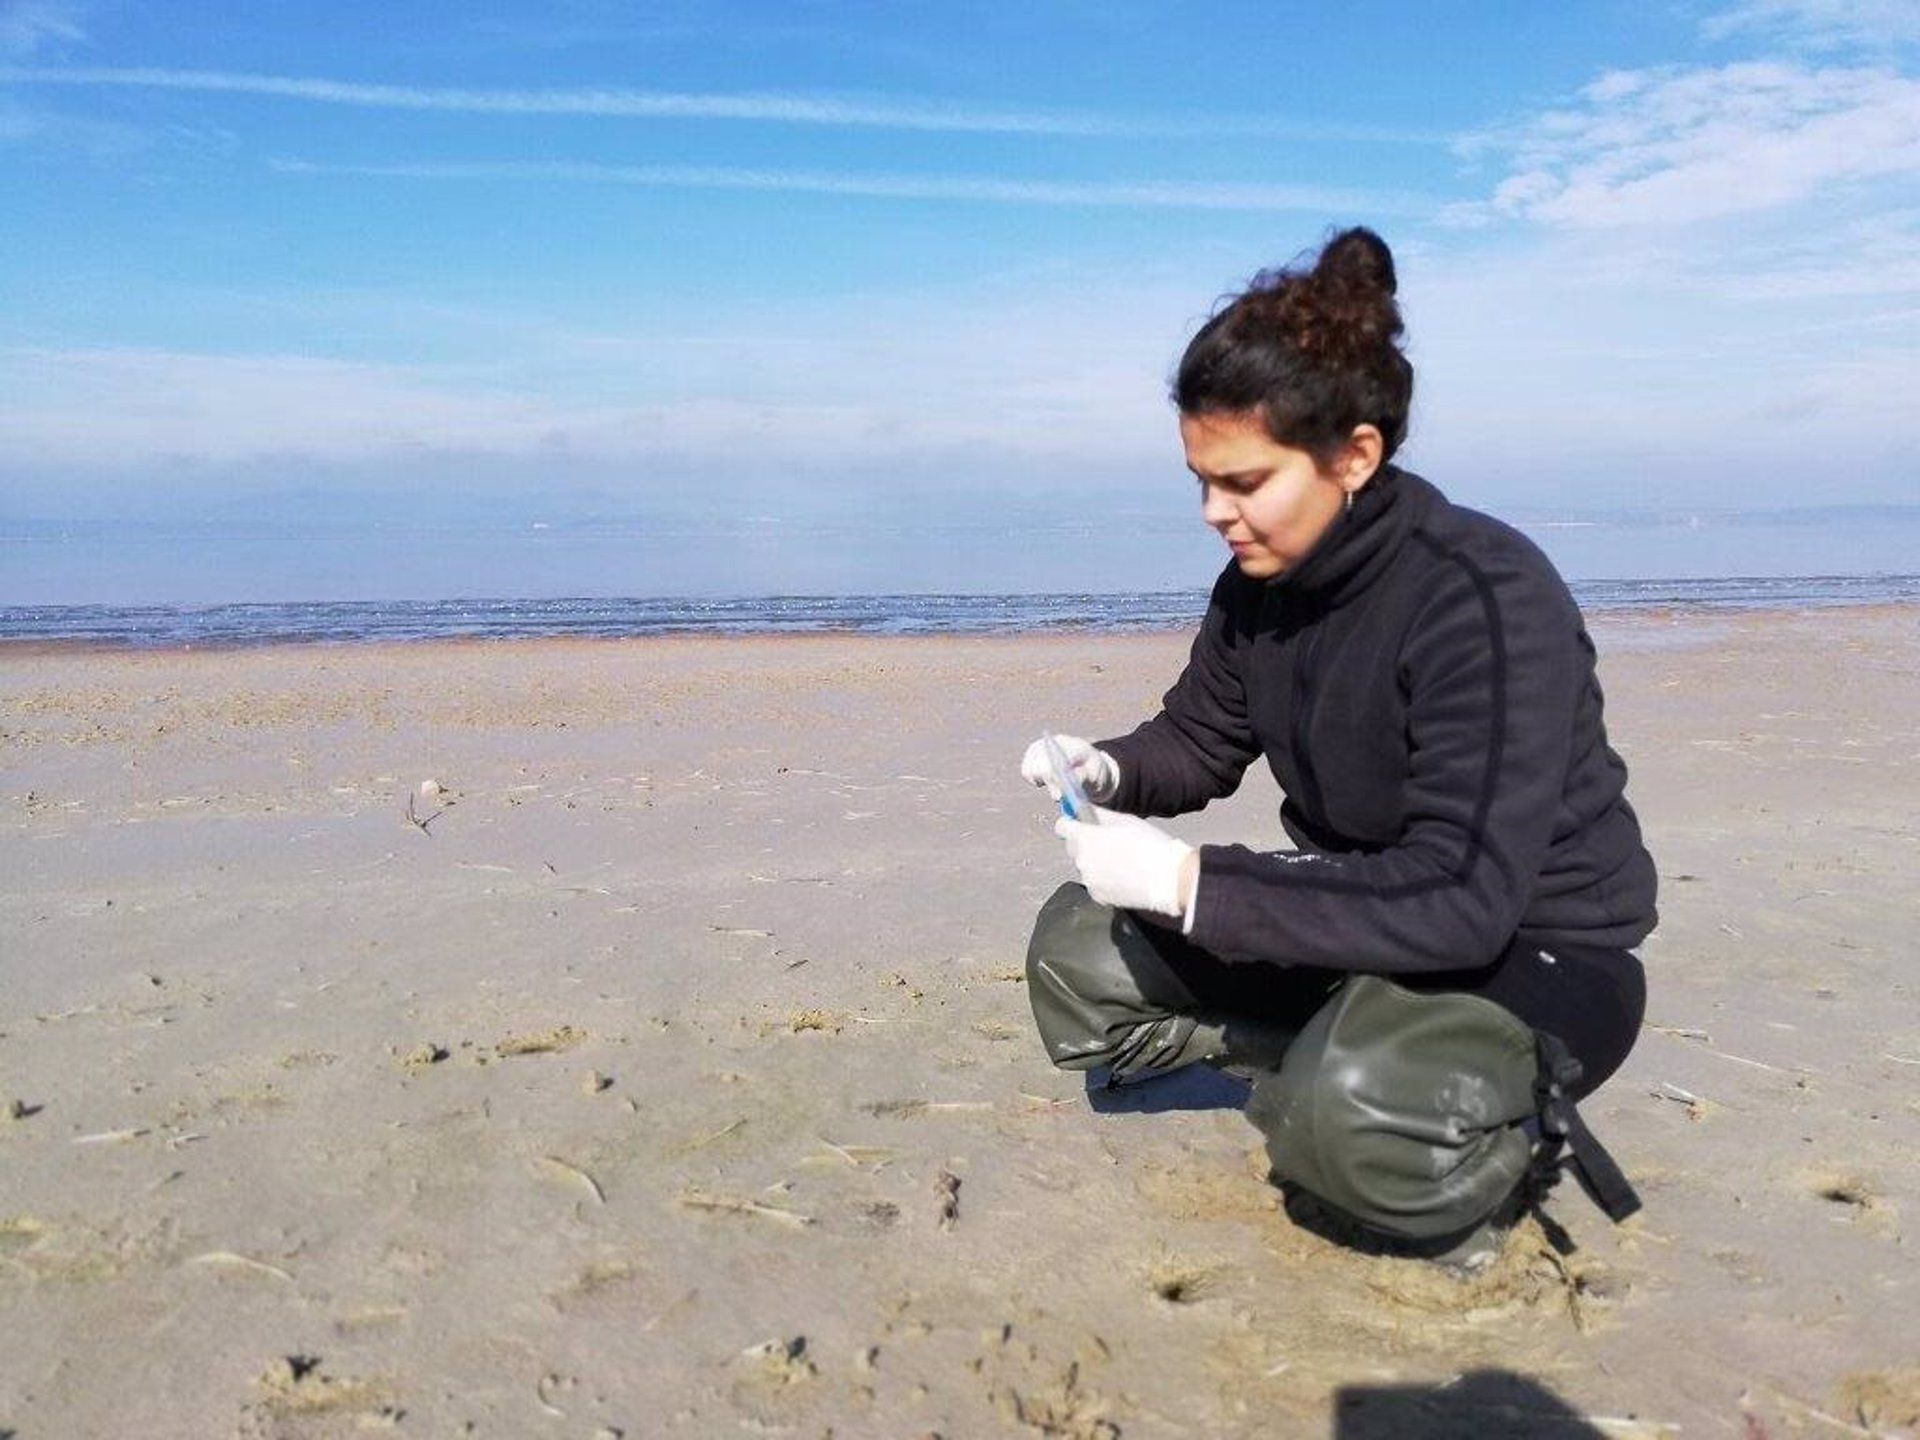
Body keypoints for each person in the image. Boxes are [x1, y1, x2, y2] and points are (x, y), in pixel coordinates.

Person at [1019, 227, 1656, 1266]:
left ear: (1355, 455)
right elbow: (1200, 737)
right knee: (1081, 946)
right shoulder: (1256, 586)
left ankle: (1452, 1135)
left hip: (1535, 950)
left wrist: (1192, 884)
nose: (1215, 512)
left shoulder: (1484, 599)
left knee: (1349, 1107)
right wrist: (1104, 767)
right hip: (1355, 910)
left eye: (1244, 481)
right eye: (1201, 480)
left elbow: (1462, 897)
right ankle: (1312, 1061)